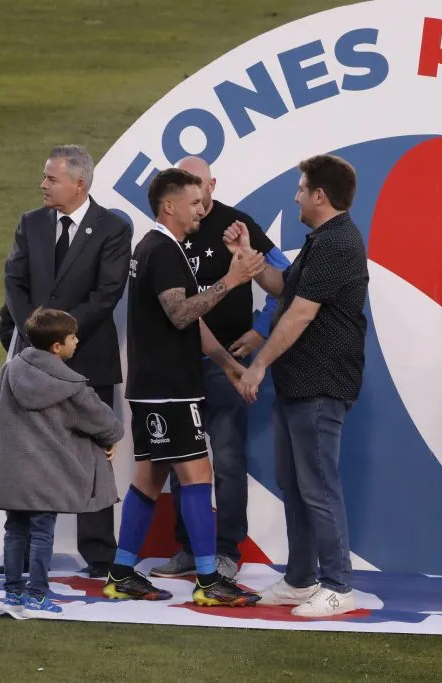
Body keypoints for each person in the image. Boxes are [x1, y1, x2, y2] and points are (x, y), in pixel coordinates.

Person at [102, 168, 263, 607]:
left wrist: (228, 365)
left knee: (149, 478)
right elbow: (180, 314)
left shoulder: (156, 248)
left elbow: (190, 322)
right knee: (198, 475)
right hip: (168, 388)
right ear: (169, 205)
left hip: (156, 386)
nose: (201, 209)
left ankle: (121, 572)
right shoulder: (164, 250)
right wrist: (232, 279)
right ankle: (210, 580)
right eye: (194, 202)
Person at [228, 154, 368, 618]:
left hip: (320, 383)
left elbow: (300, 314)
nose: (296, 196)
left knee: (318, 487)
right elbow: (283, 288)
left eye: (302, 188)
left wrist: (258, 365)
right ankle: (300, 578)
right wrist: (248, 258)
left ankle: (338, 585)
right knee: (297, 484)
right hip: (299, 384)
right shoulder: (322, 240)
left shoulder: (337, 243)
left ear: (319, 196)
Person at [150, 156, 290, 580]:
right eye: (185, 183)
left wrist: (262, 330)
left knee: (227, 459)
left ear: (214, 183)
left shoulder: (237, 224)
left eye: (198, 183)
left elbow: (286, 279)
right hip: (178, 363)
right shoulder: (168, 232)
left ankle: (227, 550)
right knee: (181, 459)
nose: (193, 192)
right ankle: (189, 549)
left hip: (225, 364)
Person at [3, 144, 131, 577]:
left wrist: (60, 336)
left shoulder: (112, 228)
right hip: (34, 361)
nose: (43, 185)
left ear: (79, 184)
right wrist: (35, 335)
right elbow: (15, 281)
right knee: (28, 450)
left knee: (93, 455)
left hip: (88, 355)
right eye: (44, 177)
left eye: (51, 178)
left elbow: (106, 294)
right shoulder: (30, 223)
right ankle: (18, 555)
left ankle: (98, 554)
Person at [0, 308, 122, 618]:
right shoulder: (70, 383)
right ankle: (38, 594)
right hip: (48, 475)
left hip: (12, 472)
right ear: (57, 346)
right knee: (42, 533)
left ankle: (13, 591)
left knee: (14, 531)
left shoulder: (9, 372)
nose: (77, 340)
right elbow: (102, 419)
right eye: (72, 337)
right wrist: (110, 437)